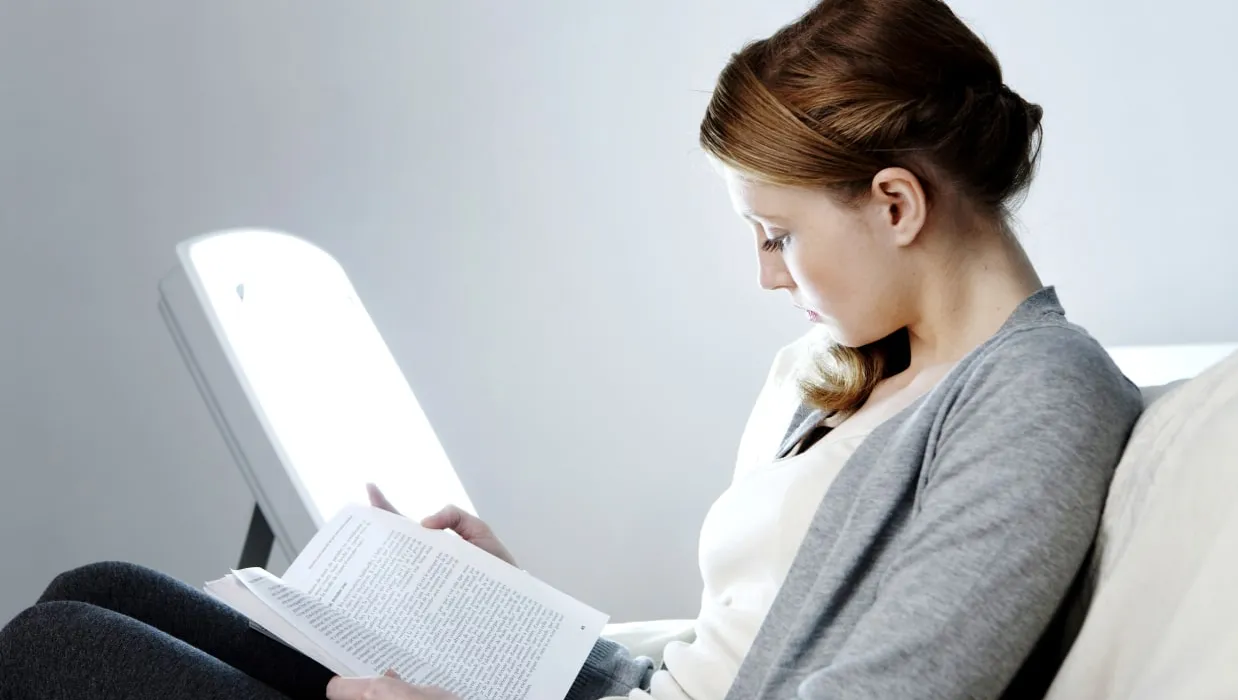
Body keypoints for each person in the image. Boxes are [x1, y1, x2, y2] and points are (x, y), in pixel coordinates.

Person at [0, 0, 1145, 699]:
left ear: (896, 203)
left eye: (777, 235)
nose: (764, 272)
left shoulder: (1037, 399)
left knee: (57, 651)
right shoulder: (851, 374)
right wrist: (531, 618)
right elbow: (709, 667)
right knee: (93, 593)